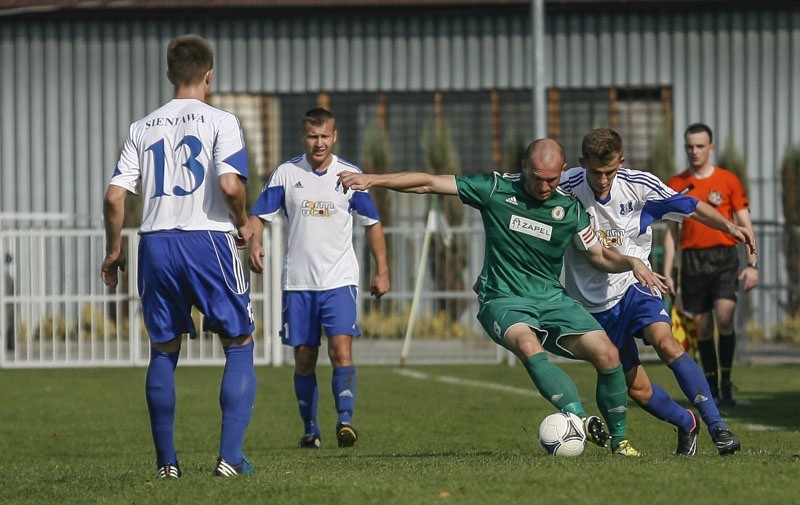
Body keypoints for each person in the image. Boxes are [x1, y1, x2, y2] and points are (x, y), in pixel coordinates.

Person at [338, 138, 669, 456]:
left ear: (564, 170)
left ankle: (620, 442)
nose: (543, 187)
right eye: (537, 178)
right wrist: (374, 180)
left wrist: (631, 261)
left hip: (552, 300)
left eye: (552, 180)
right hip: (503, 298)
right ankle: (580, 420)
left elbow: (598, 255)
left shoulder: (570, 209)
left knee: (608, 354)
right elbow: (429, 183)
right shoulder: (495, 188)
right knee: (527, 344)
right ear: (524, 166)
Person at [101, 35, 257, 478]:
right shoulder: (221, 121)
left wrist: (115, 249)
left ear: (170, 75)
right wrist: (243, 221)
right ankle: (230, 458)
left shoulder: (141, 127)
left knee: (164, 350)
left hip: (154, 243)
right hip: (206, 239)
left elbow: (115, 198)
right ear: (210, 75)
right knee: (239, 343)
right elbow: (229, 186)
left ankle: (167, 465)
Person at [560, 127, 754, 455]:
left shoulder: (639, 185)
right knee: (637, 389)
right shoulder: (565, 186)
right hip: (594, 305)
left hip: (638, 285)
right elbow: (516, 190)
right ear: (582, 163)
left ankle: (718, 427)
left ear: (621, 162)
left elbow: (691, 205)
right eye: (596, 172)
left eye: (610, 171)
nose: (604, 180)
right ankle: (685, 421)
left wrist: (730, 225)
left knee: (667, 343)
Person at [248, 107, 390, 449]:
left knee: (341, 350)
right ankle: (311, 429)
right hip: (298, 284)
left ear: (335, 136)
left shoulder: (350, 175)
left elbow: (373, 224)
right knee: (305, 357)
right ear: (303, 137)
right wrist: (253, 241)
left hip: (339, 281)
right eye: (313, 136)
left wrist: (382, 270)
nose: (319, 143)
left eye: (325, 136)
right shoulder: (285, 174)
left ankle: (345, 420)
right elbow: (258, 217)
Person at [663, 123, 759, 408]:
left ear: (711, 148)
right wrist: (668, 272)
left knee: (725, 317)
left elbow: (745, 223)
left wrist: (752, 262)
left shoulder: (728, 180)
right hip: (692, 261)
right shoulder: (676, 184)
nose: (694, 151)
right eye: (689, 146)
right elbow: (671, 232)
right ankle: (713, 386)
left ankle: (727, 381)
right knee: (703, 328)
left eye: (700, 146)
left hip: (725, 258)